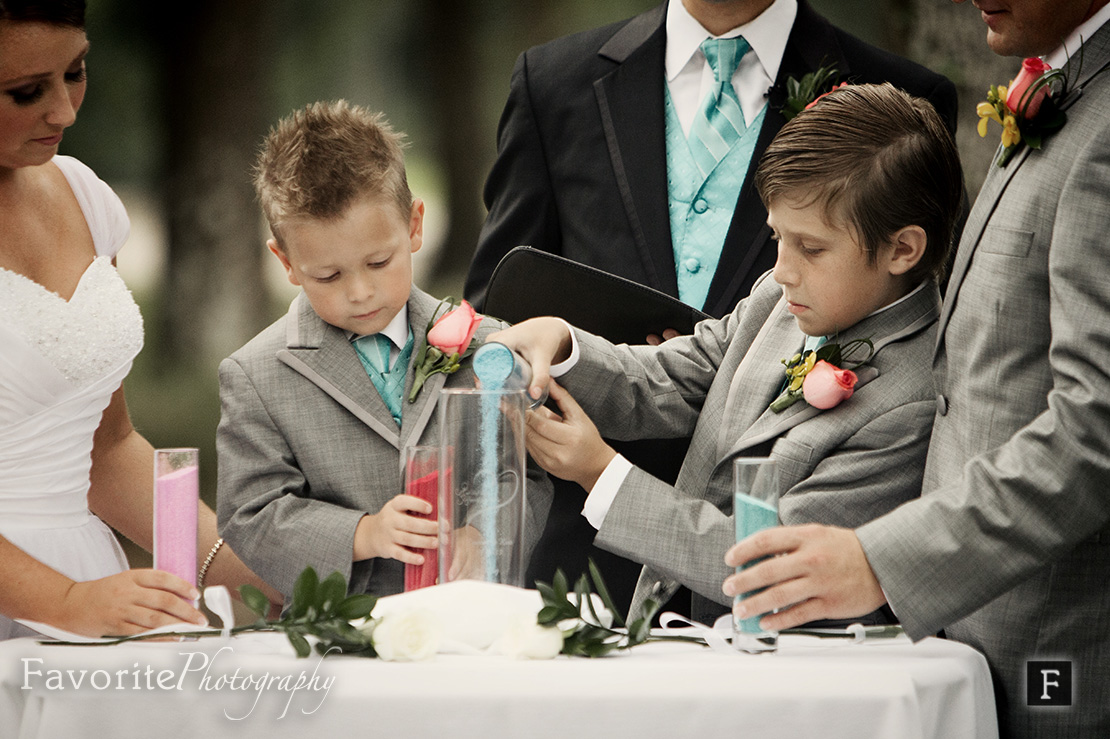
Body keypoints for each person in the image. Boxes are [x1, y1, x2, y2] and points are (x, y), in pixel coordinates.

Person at [463, 0, 960, 612]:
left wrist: (600, 472)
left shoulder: (910, 401)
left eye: (810, 246)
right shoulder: (778, 300)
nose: (780, 270)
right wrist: (561, 345)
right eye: (778, 238)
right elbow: (671, 377)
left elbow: (773, 561)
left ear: (903, 249)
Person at [723, 1, 1110, 736]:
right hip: (978, 645)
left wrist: (881, 557)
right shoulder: (1069, 87)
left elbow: (1094, 432)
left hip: (1057, 658)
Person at [0, 0, 279, 640]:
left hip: (91, 588)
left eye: (75, 72)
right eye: (26, 92)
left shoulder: (85, 198)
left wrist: (236, 569)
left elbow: (108, 450)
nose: (65, 111)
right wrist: (64, 601)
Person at [216, 101, 552, 602]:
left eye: (378, 261)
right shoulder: (256, 375)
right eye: (327, 276)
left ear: (414, 225)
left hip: (474, 616)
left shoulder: (488, 344)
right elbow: (251, 514)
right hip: (343, 635)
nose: (359, 292)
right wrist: (362, 534)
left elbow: (522, 470)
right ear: (286, 261)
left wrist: (484, 535)